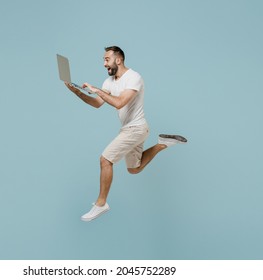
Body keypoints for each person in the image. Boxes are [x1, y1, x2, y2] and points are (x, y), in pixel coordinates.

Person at [65, 46, 187, 222]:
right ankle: (163, 143)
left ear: (118, 59)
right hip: (131, 130)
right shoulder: (109, 82)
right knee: (134, 169)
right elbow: (97, 103)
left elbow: (120, 102)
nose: (104, 63)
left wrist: (96, 89)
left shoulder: (134, 77)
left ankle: (101, 204)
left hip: (136, 128)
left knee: (105, 160)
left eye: (107, 59)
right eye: (103, 60)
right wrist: (77, 92)